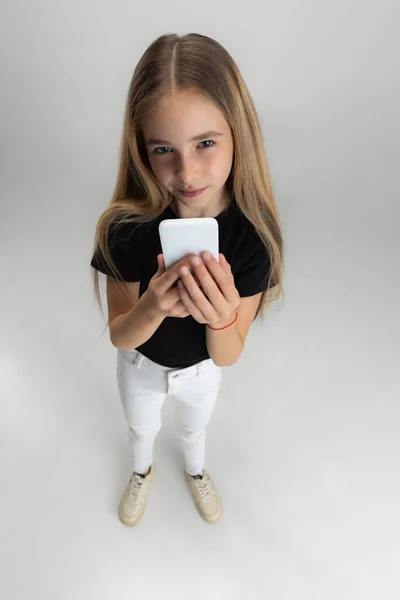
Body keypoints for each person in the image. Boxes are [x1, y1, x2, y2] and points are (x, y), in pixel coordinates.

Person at [90, 33, 284, 527]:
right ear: (141, 149)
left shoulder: (252, 239)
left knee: (195, 432)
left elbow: (228, 353)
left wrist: (220, 319)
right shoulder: (125, 227)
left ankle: (195, 470)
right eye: (163, 149)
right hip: (140, 365)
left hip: (202, 371)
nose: (187, 170)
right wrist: (151, 308)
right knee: (141, 429)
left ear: (238, 132)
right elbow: (119, 334)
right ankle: (143, 469)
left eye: (205, 143)